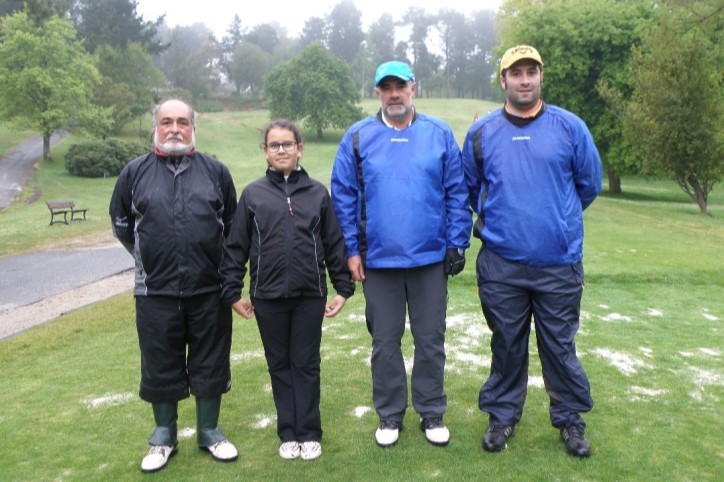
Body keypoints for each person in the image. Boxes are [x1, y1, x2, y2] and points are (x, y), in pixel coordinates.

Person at [461, 45, 602, 457]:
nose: (525, 80)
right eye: (516, 73)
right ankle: (502, 418)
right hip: (501, 264)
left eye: (531, 72)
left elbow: (587, 185)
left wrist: (556, 218)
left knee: (559, 346)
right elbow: (471, 188)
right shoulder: (482, 132)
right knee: (506, 344)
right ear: (503, 80)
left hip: (558, 263)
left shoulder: (569, 127)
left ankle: (570, 420)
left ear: (541, 77)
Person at [331, 61, 472, 448]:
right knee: (384, 342)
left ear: (414, 88)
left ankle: (431, 411)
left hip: (429, 259)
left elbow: (457, 192)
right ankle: (390, 414)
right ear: (377, 92)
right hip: (378, 259)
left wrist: (458, 242)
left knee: (430, 340)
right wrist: (351, 250)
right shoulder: (358, 137)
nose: (394, 93)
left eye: (401, 86)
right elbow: (343, 197)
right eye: (386, 87)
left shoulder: (438, 133)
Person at [109, 99, 239, 473]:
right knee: (160, 364)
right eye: (167, 122)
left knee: (210, 360)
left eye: (182, 121)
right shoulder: (134, 173)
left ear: (193, 127)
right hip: (155, 292)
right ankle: (164, 434)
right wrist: (149, 257)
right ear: (156, 127)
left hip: (208, 289)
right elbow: (122, 224)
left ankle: (209, 431)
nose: (175, 129)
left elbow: (231, 225)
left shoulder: (216, 171)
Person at [220, 119, 354, 461]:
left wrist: (343, 288)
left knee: (306, 363)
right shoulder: (252, 195)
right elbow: (235, 247)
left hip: (310, 296)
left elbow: (333, 242)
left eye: (287, 144)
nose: (281, 150)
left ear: (299, 148)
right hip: (267, 297)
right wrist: (233, 292)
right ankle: (289, 432)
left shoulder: (317, 193)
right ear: (265, 151)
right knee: (279, 363)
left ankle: (309, 432)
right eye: (274, 145)